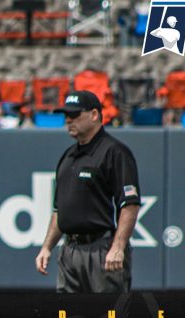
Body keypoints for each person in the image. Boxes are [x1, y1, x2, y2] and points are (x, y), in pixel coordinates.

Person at [35, 91, 141, 293]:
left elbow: (130, 205)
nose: (68, 120)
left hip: (101, 249)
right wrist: (47, 247)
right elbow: (60, 209)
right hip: (69, 251)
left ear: (94, 114)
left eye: (74, 115)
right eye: (66, 115)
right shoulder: (68, 157)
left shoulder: (114, 152)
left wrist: (118, 247)